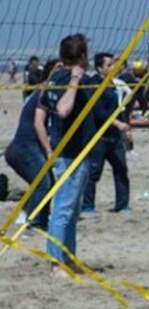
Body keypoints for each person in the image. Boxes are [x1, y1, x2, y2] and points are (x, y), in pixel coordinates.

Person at [41, 34, 95, 275]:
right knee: (63, 210)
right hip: (69, 153)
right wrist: (74, 79)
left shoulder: (56, 77)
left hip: (74, 152)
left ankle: (68, 257)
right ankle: (56, 262)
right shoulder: (69, 79)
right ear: (82, 56)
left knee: (71, 210)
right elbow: (62, 110)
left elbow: (42, 105)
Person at [4, 59, 58, 229]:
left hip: (25, 147)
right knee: (43, 183)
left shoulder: (52, 92)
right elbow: (39, 125)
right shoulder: (45, 92)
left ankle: (34, 216)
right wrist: (49, 151)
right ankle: (33, 222)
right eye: (58, 69)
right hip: (23, 147)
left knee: (45, 183)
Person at [82, 52, 132, 214]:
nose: (113, 67)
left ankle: (122, 205)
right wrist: (118, 124)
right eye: (109, 65)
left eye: (113, 64)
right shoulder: (94, 84)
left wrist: (126, 128)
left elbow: (119, 108)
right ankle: (88, 206)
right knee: (93, 173)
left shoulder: (114, 84)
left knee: (121, 169)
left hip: (115, 136)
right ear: (99, 68)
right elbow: (98, 112)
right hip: (99, 136)